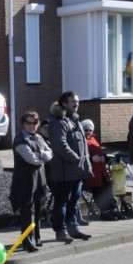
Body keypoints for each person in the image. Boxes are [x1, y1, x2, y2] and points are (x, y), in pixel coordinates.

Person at [48, 92, 93, 243]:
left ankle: (73, 229)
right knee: (62, 202)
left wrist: (83, 163)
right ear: (64, 103)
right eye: (73, 101)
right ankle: (61, 231)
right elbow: (59, 145)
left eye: (77, 101)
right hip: (65, 171)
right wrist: (75, 158)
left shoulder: (75, 120)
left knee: (73, 201)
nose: (76, 104)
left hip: (77, 171)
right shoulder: (58, 121)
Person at [10, 111, 51, 252]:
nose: (31, 126)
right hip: (25, 181)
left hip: (39, 179)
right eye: (28, 123)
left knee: (39, 210)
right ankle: (28, 242)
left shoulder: (39, 138)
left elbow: (50, 154)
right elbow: (30, 159)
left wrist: (40, 155)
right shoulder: (20, 140)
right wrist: (42, 157)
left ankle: (37, 238)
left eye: (34, 123)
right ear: (23, 124)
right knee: (28, 212)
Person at [81, 119, 121, 221]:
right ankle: (103, 212)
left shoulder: (93, 139)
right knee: (99, 190)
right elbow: (80, 156)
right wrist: (91, 159)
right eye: (86, 130)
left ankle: (112, 210)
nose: (88, 132)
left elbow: (101, 152)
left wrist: (104, 158)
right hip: (91, 172)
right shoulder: (81, 140)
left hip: (101, 170)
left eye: (90, 130)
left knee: (108, 188)